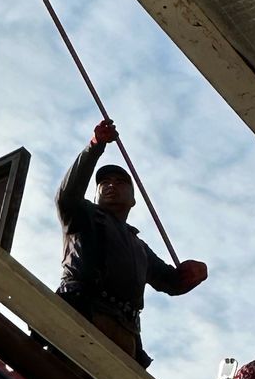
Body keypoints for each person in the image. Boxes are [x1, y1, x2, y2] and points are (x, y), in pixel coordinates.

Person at [56, 118, 207, 365]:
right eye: (104, 182)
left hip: (125, 334)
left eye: (120, 182)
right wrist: (94, 146)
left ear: (133, 200)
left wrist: (192, 274)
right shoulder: (82, 216)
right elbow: (67, 194)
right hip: (84, 312)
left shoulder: (140, 248)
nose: (110, 186)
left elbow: (170, 281)